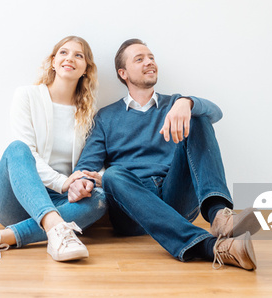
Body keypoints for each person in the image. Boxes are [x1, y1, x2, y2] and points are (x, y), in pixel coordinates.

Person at [68, 39, 261, 270]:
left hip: (175, 195)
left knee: (199, 115)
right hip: (132, 207)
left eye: (151, 57)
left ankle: (219, 215)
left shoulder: (175, 104)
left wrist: (187, 102)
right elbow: (86, 167)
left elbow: (216, 112)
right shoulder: (106, 117)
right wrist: (82, 183)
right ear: (123, 73)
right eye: (139, 59)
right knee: (112, 176)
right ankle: (210, 247)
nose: (149, 62)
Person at [0, 36, 107, 262]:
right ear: (53, 62)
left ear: (86, 68)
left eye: (79, 55)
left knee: (99, 199)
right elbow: (27, 152)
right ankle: (56, 227)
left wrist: (88, 181)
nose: (70, 59)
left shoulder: (89, 113)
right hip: (16, 199)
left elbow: (94, 159)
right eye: (63, 53)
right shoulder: (26, 96)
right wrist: (63, 182)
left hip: (60, 201)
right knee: (17, 149)